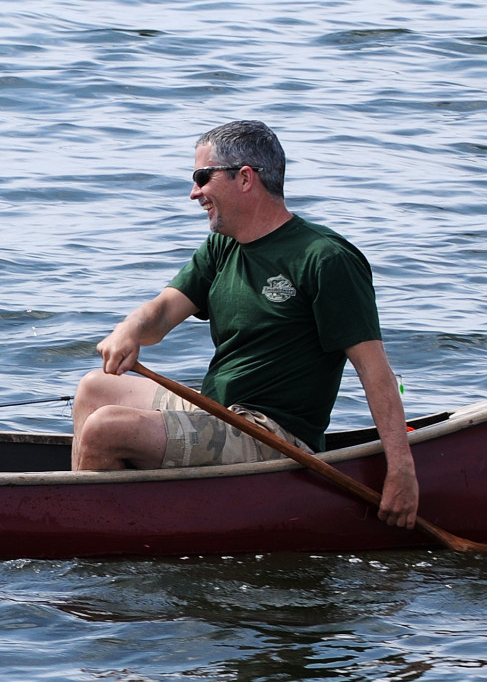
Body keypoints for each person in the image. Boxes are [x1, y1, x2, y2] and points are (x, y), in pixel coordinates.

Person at [71, 120, 420, 528]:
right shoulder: (223, 245)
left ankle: (90, 535)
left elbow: (375, 371)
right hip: (220, 411)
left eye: (202, 177)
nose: (194, 192)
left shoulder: (325, 259)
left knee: (105, 429)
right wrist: (130, 327)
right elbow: (163, 313)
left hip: (274, 436)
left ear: (245, 178)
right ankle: (131, 511)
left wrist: (401, 470)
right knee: (94, 388)